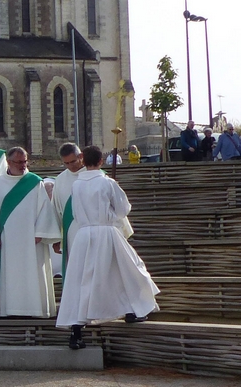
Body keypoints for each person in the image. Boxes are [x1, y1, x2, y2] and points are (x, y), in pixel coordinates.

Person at [56, 145, 160, 349]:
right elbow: (123, 210)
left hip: (83, 235)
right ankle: (133, 310)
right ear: (101, 161)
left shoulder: (76, 186)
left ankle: (76, 331)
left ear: (83, 161)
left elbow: (76, 214)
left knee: (82, 280)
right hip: (106, 232)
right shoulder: (107, 183)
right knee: (127, 271)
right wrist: (108, 213)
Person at [0, 147, 61, 317]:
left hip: (31, 239)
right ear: (8, 162)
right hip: (7, 239)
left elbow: (45, 208)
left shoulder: (34, 182)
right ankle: (10, 309)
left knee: (32, 273)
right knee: (10, 274)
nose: (23, 165)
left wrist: (40, 231)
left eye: (25, 161)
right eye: (19, 162)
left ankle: (35, 309)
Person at [52, 143, 84, 280]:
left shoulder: (95, 175)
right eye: (66, 163)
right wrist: (56, 238)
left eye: (73, 161)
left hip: (94, 232)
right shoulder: (60, 180)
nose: (70, 166)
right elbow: (55, 209)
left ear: (81, 156)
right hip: (71, 234)